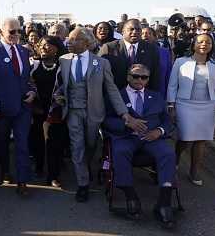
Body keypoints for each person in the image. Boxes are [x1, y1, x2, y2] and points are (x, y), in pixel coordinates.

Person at [52, 27, 144, 202]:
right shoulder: (63, 60)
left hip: (94, 112)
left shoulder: (101, 63)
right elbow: (60, 84)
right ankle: (83, 183)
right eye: (69, 39)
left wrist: (124, 113)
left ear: (86, 43)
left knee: (91, 144)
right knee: (76, 146)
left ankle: (86, 167)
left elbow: (111, 89)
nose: (68, 42)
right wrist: (59, 96)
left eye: (73, 39)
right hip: (72, 111)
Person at [103, 64, 176, 229]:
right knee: (120, 151)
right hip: (126, 137)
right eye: (136, 76)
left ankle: (164, 203)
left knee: (168, 153)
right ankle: (131, 196)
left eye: (144, 77)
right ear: (128, 77)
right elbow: (106, 120)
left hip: (152, 138)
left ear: (148, 79)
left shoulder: (156, 96)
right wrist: (127, 124)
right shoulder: (116, 96)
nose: (140, 80)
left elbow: (167, 121)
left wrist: (159, 130)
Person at [0, 18, 36, 196]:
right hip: (1, 110)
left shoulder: (24, 52)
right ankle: (5, 170)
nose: (16, 35)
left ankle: (23, 181)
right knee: (1, 143)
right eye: (12, 32)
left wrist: (32, 91)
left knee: (22, 143)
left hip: (23, 108)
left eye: (19, 31)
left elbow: (27, 79)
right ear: (0, 32)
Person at [167, 33, 215, 186]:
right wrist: (171, 105)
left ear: (212, 45)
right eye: (200, 42)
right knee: (185, 138)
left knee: (201, 139)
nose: (204, 44)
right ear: (193, 44)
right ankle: (174, 161)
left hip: (207, 106)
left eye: (208, 42)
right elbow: (172, 85)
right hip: (185, 105)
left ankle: (194, 171)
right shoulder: (181, 62)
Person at [29, 35, 67, 185]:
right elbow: (26, 83)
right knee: (37, 141)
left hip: (56, 110)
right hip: (37, 109)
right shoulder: (33, 65)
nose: (44, 47)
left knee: (55, 143)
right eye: (42, 45)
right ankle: (38, 168)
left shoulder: (63, 66)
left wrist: (62, 97)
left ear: (57, 49)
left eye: (49, 45)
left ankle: (53, 175)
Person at [98, 19, 160, 91]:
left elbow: (155, 75)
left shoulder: (151, 49)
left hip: (141, 96)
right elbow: (99, 75)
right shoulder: (109, 48)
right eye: (131, 29)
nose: (135, 32)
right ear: (123, 31)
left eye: (138, 29)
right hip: (115, 94)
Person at [141, 27, 172, 97]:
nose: (145, 35)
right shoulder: (136, 52)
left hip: (160, 92)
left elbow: (168, 74)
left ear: (155, 37)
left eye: (149, 33)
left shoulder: (164, 52)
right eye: (142, 33)